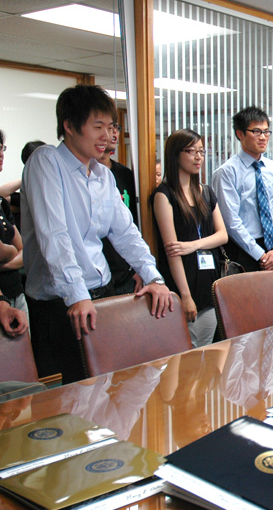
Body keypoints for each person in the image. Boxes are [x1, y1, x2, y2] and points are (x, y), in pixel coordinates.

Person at [21, 84, 172, 384]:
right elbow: (54, 234)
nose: (108, 136)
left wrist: (153, 277)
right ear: (69, 126)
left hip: (102, 295)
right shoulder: (46, 162)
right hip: (61, 303)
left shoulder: (103, 175)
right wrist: (76, 295)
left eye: (112, 126)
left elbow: (126, 232)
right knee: (78, 396)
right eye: (98, 126)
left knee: (115, 382)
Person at [153, 129, 227, 347]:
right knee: (188, 353)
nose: (198, 157)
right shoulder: (164, 195)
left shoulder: (205, 192)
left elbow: (222, 235)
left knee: (205, 349)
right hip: (184, 283)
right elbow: (173, 252)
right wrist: (184, 296)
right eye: (191, 151)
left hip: (209, 282)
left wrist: (192, 246)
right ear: (175, 154)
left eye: (201, 152)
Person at [212, 107, 273, 274]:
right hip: (243, 251)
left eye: (266, 132)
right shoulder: (226, 172)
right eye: (256, 131)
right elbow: (231, 221)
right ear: (240, 134)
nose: (263, 137)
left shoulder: (272, 167)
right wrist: (259, 254)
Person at [99, 120, 139, 295]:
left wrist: (139, 268)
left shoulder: (125, 175)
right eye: (107, 128)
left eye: (116, 127)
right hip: (96, 274)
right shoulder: (83, 176)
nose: (113, 133)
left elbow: (134, 225)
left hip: (126, 274)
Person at [0, 130, 26, 321]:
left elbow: (24, 251)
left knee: (25, 350)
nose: (1, 154)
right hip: (2, 301)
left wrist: (5, 256)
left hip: (16, 292)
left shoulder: (2, 203)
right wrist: (10, 252)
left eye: (1, 148)